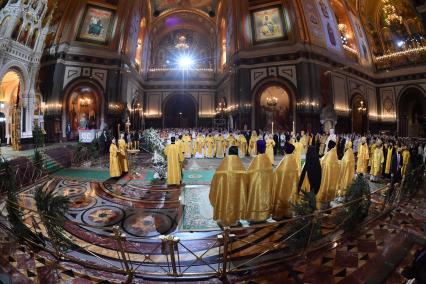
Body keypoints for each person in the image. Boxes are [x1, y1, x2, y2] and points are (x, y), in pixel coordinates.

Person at [209, 146, 248, 227]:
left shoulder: (221, 168)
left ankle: (223, 218)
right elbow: (246, 186)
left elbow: (214, 184)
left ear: (228, 153)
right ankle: (235, 219)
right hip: (236, 197)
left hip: (224, 197)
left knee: (224, 200)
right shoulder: (241, 168)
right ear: (237, 154)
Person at [245, 140, 274, 223]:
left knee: (256, 200)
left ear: (257, 148)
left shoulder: (256, 159)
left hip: (256, 187)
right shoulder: (267, 159)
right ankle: (264, 215)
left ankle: (255, 216)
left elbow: (249, 173)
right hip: (266, 187)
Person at [272, 143, 299, 219]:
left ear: (285, 151)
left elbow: (277, 173)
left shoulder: (284, 161)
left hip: (282, 188)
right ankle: (289, 212)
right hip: (291, 189)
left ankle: (280, 213)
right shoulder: (294, 162)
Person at [318, 140, 340, 208]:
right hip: (333, 179)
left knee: (325, 190)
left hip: (326, 176)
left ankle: (324, 207)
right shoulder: (334, 154)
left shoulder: (329, 154)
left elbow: (322, 162)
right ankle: (328, 205)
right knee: (330, 193)